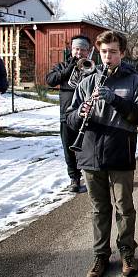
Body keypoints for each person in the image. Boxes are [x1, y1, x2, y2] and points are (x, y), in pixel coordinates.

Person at [66, 30, 138, 277]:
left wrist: (115, 100)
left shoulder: (135, 82)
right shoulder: (86, 81)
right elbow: (69, 120)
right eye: (104, 52)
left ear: (122, 53)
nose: (108, 56)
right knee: (98, 208)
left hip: (120, 151)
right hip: (91, 153)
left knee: (124, 207)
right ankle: (100, 254)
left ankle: (127, 251)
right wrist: (79, 112)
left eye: (113, 52)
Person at [46, 34, 92, 193]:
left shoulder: (91, 67)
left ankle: (90, 176)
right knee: (69, 148)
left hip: (88, 115)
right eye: (76, 49)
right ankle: (74, 179)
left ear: (88, 51)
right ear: (71, 50)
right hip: (66, 114)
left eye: (82, 50)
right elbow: (50, 80)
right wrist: (68, 69)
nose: (79, 53)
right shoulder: (62, 65)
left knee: (88, 147)